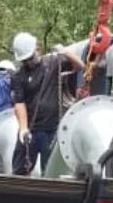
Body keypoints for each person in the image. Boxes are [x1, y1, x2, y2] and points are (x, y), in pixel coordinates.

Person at [11, 32, 84, 176]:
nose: (29, 62)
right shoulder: (19, 76)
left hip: (51, 130)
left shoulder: (53, 63)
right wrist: (24, 129)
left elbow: (79, 66)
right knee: (19, 170)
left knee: (50, 172)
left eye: (30, 58)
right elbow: (19, 103)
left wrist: (65, 52)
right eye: (25, 60)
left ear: (37, 49)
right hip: (31, 131)